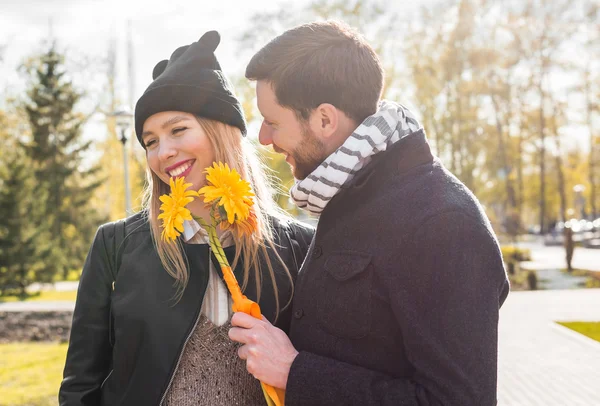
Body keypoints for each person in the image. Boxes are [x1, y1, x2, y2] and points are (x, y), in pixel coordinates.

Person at [229, 21, 510, 405]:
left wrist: (296, 372)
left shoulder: (443, 221)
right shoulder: (347, 198)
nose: (263, 138)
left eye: (273, 122)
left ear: (325, 120)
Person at [59, 30, 314, 406]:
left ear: (221, 132)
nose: (164, 151)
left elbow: (323, 373)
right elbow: (81, 384)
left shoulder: (297, 248)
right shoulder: (115, 245)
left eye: (178, 130)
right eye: (150, 141)